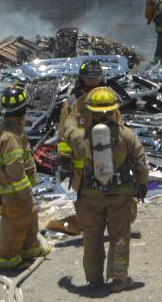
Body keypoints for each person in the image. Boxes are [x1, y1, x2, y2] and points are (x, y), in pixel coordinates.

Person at [66, 86, 149, 291]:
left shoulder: (80, 137)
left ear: (91, 112)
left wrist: (75, 113)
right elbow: (141, 163)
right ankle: (119, 279)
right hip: (120, 194)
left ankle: (94, 280)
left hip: (90, 195)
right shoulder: (126, 135)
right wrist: (142, 184)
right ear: (114, 110)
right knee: (119, 235)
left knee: (92, 236)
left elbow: (67, 131)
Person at [44, 60, 105, 236]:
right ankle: (87, 224)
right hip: (81, 159)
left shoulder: (106, 97)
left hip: (104, 155)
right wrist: (64, 156)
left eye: (96, 78)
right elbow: (64, 133)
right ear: (82, 78)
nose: (93, 82)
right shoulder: (72, 102)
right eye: (89, 78)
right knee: (84, 194)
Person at [0, 85, 50, 270]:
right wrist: (25, 190)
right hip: (14, 191)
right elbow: (15, 167)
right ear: (22, 109)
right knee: (14, 224)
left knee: (29, 218)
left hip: (16, 190)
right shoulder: (11, 136)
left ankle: (29, 249)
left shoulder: (8, 128)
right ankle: (9, 260)